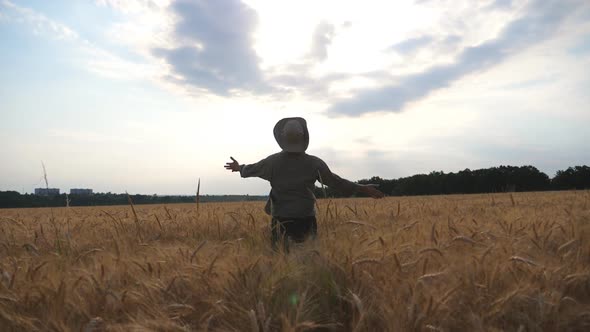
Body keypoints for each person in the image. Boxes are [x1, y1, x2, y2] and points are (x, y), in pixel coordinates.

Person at [225, 117, 384, 251]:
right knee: (310, 256)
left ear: (282, 138)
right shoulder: (314, 163)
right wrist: (363, 189)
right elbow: (337, 183)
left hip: (281, 219)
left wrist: (239, 167)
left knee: (281, 258)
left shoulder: (272, 162)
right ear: (303, 138)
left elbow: (251, 170)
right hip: (306, 218)